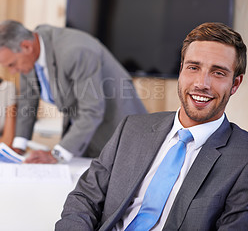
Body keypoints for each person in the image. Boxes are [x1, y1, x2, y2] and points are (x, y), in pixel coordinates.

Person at [55, 22, 248, 230]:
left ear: (235, 84)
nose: (202, 83)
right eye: (193, 67)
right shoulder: (131, 128)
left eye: (218, 73)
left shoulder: (243, 158)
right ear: (181, 70)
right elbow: (84, 199)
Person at [0, 20, 147, 163]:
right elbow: (27, 103)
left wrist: (56, 154)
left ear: (26, 47)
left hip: (117, 127)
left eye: (11, 65)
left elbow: (92, 110)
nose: (13, 71)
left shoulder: (75, 51)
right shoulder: (27, 57)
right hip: (83, 131)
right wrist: (18, 146)